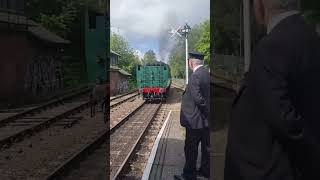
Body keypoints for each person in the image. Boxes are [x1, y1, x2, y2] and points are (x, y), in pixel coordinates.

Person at [225, 0, 320, 179]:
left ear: (260, 5)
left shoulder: (272, 46)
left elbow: (285, 120)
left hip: (270, 171)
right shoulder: (310, 37)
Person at [174, 52, 210, 180]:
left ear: (190, 62)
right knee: (206, 149)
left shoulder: (195, 76)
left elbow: (199, 99)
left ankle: (188, 175)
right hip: (205, 122)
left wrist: (207, 111)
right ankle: (205, 171)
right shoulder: (206, 74)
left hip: (194, 121)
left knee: (191, 150)